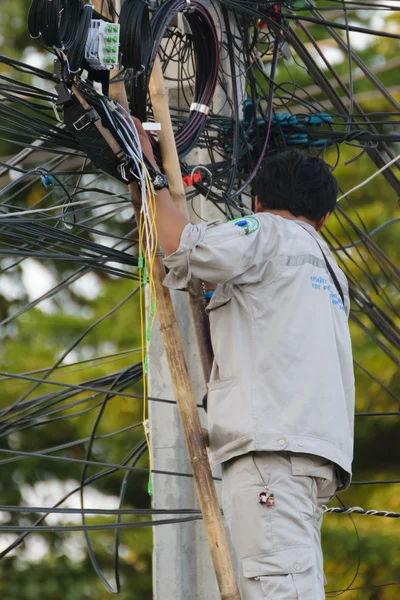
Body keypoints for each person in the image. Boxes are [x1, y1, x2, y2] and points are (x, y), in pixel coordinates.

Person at [135, 120, 355, 600]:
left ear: (258, 203)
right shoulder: (330, 269)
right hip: (311, 457)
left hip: (271, 453)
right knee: (291, 584)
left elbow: (183, 246)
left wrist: (145, 169)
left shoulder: (265, 233)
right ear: (322, 218)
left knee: (280, 590)